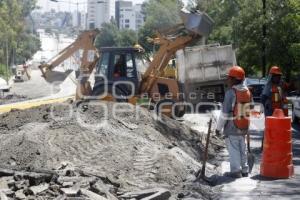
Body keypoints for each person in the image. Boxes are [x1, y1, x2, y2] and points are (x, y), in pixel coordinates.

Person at [216, 66, 252, 178]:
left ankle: (236, 171)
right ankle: (245, 170)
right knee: (242, 148)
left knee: (234, 149)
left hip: (232, 127)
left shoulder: (231, 93)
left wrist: (218, 128)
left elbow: (225, 114)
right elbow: (250, 107)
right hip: (244, 125)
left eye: (230, 78)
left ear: (235, 79)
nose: (228, 80)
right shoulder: (247, 91)